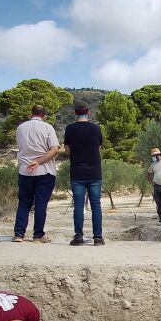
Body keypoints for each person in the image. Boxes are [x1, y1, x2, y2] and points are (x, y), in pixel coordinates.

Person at [12, 105, 60, 243]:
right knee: (40, 204)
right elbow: (55, 149)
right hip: (44, 171)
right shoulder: (47, 128)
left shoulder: (20, 128)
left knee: (24, 203)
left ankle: (19, 234)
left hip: (25, 171)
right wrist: (38, 161)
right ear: (44, 115)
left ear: (31, 113)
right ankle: (38, 234)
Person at [63, 105, 105, 246]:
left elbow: (67, 150)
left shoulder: (70, 129)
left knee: (79, 206)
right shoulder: (96, 128)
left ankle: (78, 237)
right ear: (89, 112)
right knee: (96, 206)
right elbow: (98, 148)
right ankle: (98, 238)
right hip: (94, 171)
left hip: (77, 172)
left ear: (75, 113)